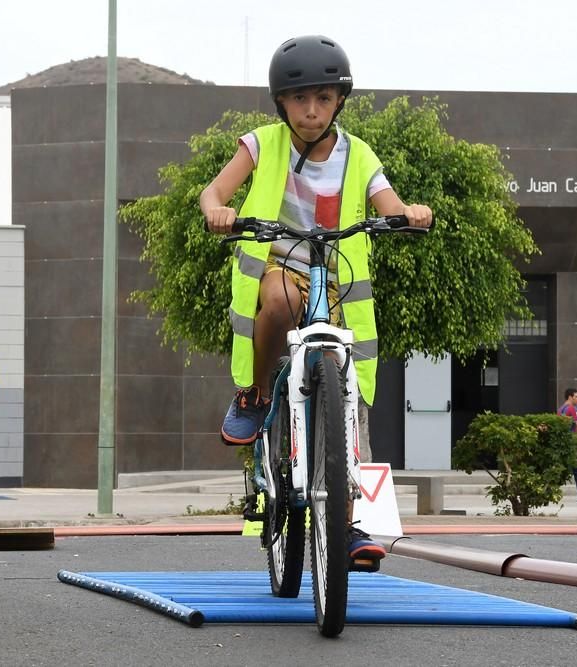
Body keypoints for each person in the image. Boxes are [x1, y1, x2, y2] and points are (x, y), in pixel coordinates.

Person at [201, 35, 433, 568]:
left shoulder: (360, 153)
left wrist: (409, 211)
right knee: (280, 301)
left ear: (340, 102)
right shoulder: (261, 143)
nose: (311, 110)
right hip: (279, 264)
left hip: (335, 278)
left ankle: (346, 523)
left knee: (346, 391)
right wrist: (219, 210)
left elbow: (387, 200)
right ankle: (258, 396)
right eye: (300, 99)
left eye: (324, 98)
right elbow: (212, 193)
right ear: (280, 103)